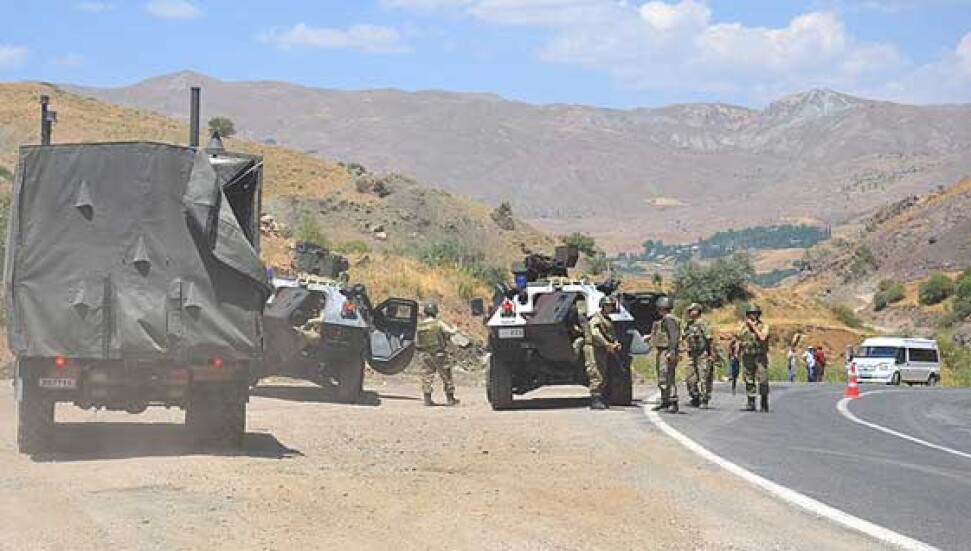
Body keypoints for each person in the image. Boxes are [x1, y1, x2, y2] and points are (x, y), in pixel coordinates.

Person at [416, 301, 459, 407]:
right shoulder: (438, 323)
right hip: (439, 353)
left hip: (425, 354)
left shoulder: (420, 325)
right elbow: (450, 332)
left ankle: (427, 399)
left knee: (427, 376)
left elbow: (417, 341)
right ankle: (450, 399)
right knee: (446, 376)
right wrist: (455, 328)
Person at [733, 303, 771, 412]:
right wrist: (736, 353)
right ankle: (751, 401)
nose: (752, 316)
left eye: (754, 313)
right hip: (747, 355)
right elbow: (738, 340)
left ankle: (764, 401)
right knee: (748, 379)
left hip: (760, 356)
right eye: (750, 314)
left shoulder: (764, 326)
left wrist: (753, 327)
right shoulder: (742, 327)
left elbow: (763, 337)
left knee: (763, 379)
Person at [588, 296, 622, 411]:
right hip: (594, 347)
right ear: (602, 306)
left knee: (603, 372)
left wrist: (616, 342)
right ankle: (595, 399)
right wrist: (606, 344)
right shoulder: (596, 318)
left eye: (611, 306)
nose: (610, 308)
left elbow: (612, 333)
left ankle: (602, 397)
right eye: (607, 306)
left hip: (603, 349)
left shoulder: (607, 319)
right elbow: (595, 333)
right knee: (596, 372)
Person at [648, 296, 681, 413]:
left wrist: (671, 351)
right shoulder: (664, 320)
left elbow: (674, 336)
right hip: (663, 350)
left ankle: (672, 401)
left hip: (666, 351)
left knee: (667, 377)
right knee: (664, 377)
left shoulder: (669, 319)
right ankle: (665, 401)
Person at [682, 303, 715, 409]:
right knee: (689, 378)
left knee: (704, 377)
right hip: (692, 354)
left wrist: (711, 354)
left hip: (703, 354)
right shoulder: (688, 325)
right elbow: (684, 337)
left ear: (698, 311)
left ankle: (704, 399)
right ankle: (695, 397)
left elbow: (709, 339)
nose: (691, 312)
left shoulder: (703, 323)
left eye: (693, 310)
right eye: (690, 310)